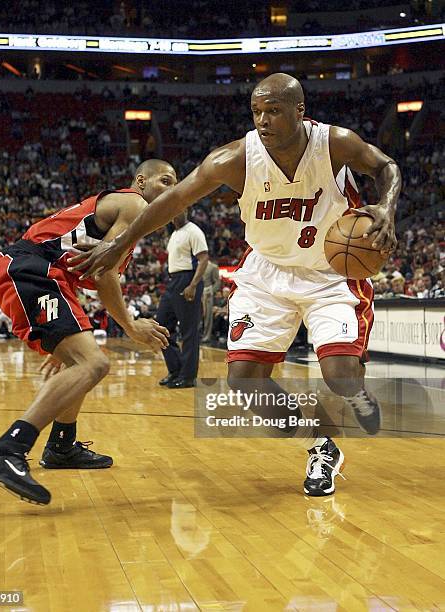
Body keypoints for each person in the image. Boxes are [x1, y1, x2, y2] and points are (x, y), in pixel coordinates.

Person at [68, 73, 401, 497]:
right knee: (244, 382)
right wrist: (120, 242)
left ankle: (353, 394)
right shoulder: (232, 159)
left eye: (274, 110)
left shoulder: (334, 143)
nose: (263, 120)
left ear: (300, 111)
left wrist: (386, 208)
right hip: (267, 274)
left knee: (341, 378)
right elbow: (174, 200)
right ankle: (320, 443)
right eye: (257, 111)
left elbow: (386, 166)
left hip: (328, 273)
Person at [0, 159, 176, 505]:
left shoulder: (131, 225)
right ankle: (7, 448)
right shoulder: (134, 204)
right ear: (141, 181)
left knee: (80, 363)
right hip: (28, 269)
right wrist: (131, 326)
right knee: (93, 364)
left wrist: (63, 344)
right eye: (165, 181)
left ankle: (62, 445)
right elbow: (103, 277)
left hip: (41, 275)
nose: (172, 189)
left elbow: (93, 274)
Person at [157, 211, 208, 388]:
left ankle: (188, 376)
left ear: (185, 211)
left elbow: (203, 259)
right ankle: (176, 369)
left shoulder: (193, 231)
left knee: (189, 331)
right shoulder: (174, 234)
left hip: (187, 279)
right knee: (161, 327)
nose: (175, 214)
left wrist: (193, 285)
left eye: (179, 210)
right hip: (173, 281)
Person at [201, 258, 221, 343]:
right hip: (198, 293)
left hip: (207, 293)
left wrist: (211, 291)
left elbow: (217, 282)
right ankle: (200, 334)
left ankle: (207, 336)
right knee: (199, 315)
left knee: (208, 316)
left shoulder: (213, 267)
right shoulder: (197, 266)